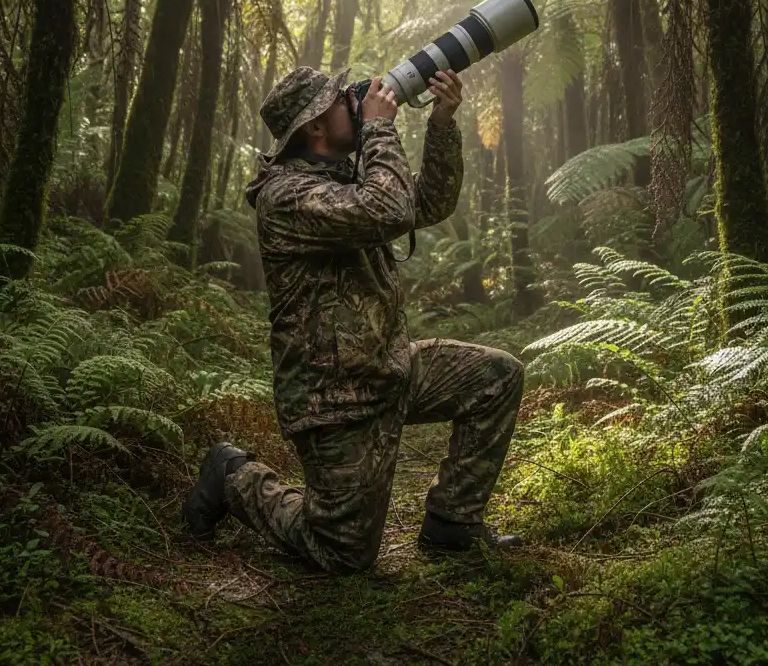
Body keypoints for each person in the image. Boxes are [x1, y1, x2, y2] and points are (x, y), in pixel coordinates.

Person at [182, 65, 524, 571]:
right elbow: (387, 209)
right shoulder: (286, 197)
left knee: (497, 377)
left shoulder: (340, 178)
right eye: (343, 99)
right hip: (335, 399)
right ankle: (233, 474)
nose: (356, 100)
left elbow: (427, 202)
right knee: (342, 552)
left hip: (390, 369)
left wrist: (442, 124)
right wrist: (380, 127)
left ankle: (453, 522)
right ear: (316, 125)